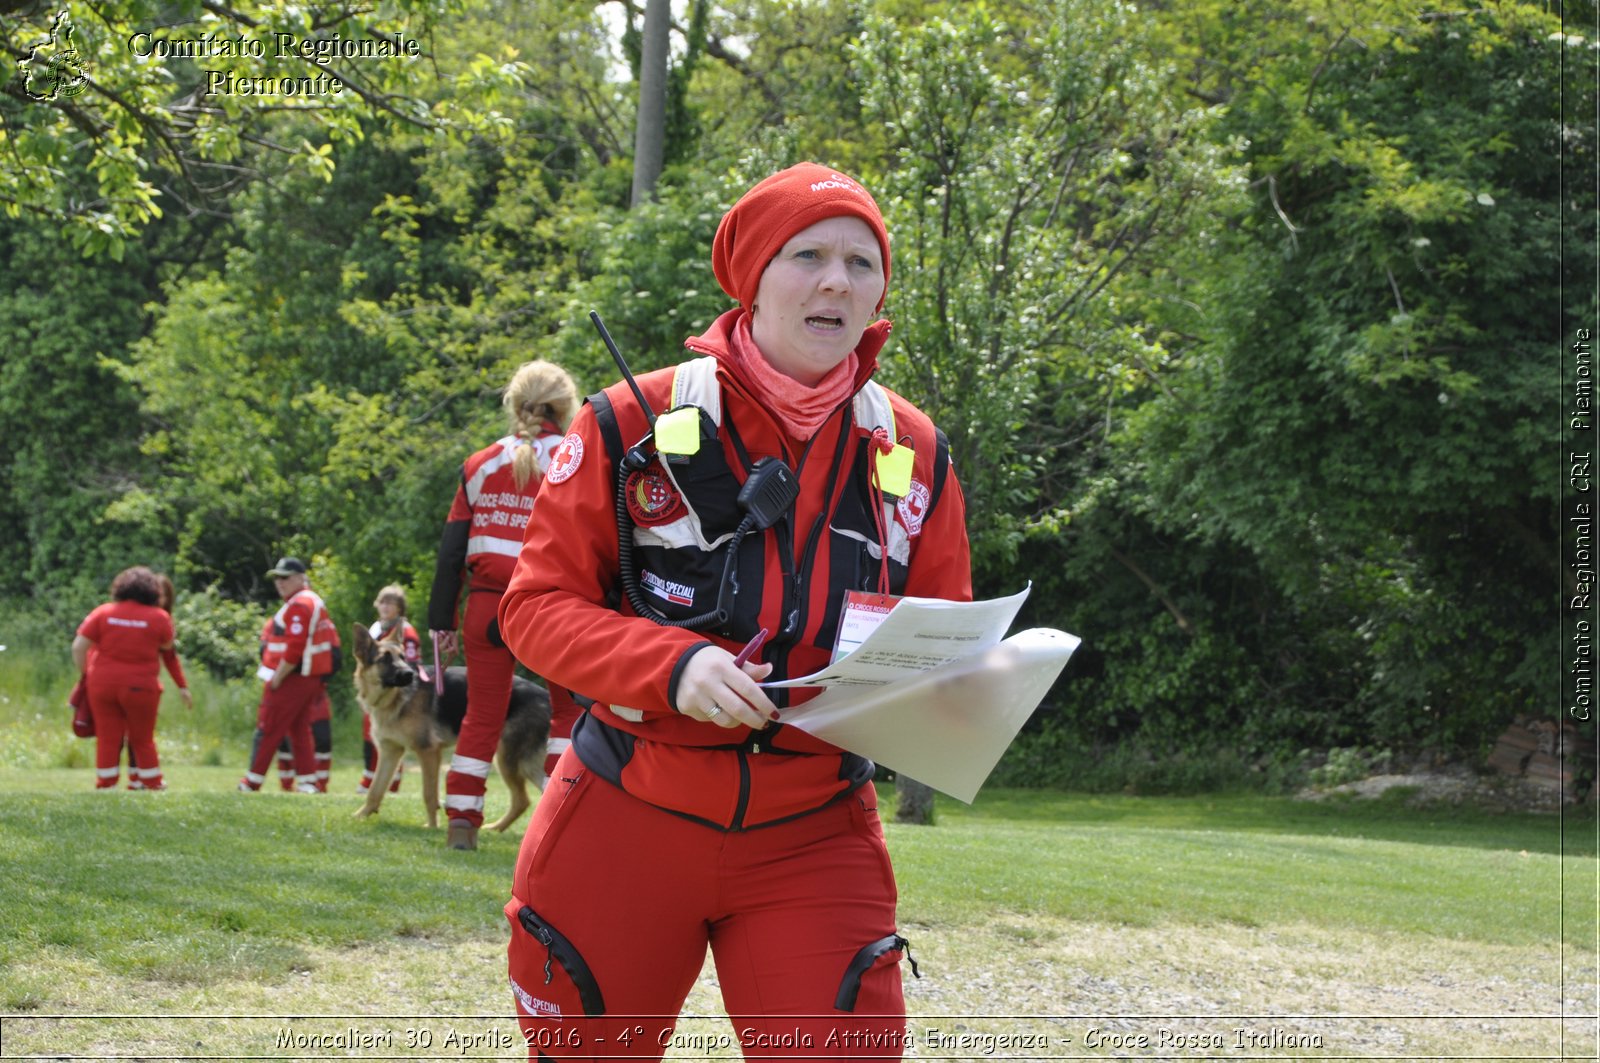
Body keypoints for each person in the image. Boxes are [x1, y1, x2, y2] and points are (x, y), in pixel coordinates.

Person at [496, 163, 972, 1060]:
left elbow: (941, 630)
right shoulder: (627, 422)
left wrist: (962, 691)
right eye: (809, 255)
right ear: (751, 277)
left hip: (816, 828)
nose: (838, 280)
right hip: (627, 809)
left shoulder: (913, 450)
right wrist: (672, 667)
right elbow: (536, 608)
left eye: (862, 261)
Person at [429, 359, 582, 851]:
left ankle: (461, 821)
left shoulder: (479, 463)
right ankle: (562, 823)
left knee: (481, 715)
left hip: (486, 608)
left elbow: (452, 550)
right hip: (554, 606)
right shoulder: (576, 457)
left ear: (515, 406)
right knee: (566, 713)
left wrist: (441, 621)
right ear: (564, 406)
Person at [72, 566, 192, 791]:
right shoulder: (159, 617)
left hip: (102, 684)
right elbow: (167, 649)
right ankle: (152, 783)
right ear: (152, 591)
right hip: (141, 687)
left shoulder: (103, 612)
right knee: (142, 738)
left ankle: (106, 784)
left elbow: (78, 647)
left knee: (108, 737)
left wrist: (86, 674)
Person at [239, 557, 336, 794]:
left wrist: (278, 677)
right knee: (299, 729)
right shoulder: (306, 601)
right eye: (277, 578)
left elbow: (295, 647)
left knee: (269, 726)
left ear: (301, 578)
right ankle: (307, 782)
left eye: (285, 577)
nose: (279, 582)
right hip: (306, 676)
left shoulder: (300, 604)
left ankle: (252, 783)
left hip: (294, 677)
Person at [357, 584, 421, 795]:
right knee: (372, 738)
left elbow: (407, 666)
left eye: (390, 602)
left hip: (397, 695)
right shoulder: (377, 627)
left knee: (393, 739)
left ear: (400, 607)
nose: (385, 606)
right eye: (382, 601)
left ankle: (391, 786)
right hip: (377, 692)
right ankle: (369, 780)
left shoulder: (405, 631)